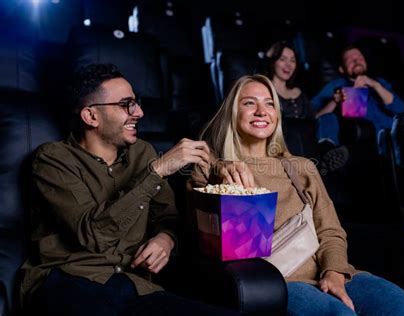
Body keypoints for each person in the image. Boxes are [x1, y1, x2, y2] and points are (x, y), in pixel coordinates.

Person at [189, 74, 404, 315]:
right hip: (278, 283)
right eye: (249, 102)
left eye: (270, 103)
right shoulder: (210, 170)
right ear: (233, 112)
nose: (262, 111)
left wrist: (334, 273)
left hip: (332, 272)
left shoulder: (302, 167)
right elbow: (202, 235)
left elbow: (330, 231)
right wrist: (220, 170)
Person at [19, 63, 239, 316]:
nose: (140, 112)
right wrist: (156, 172)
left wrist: (166, 239)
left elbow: (168, 217)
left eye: (137, 102)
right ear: (91, 116)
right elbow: (93, 236)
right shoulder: (53, 159)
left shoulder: (141, 152)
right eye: (126, 104)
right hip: (71, 281)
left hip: (136, 285)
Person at [266, 40, 349, 175]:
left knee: (329, 117)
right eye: (283, 59)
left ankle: (326, 151)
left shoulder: (298, 92)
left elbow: (315, 118)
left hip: (308, 139)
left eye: (292, 60)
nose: (288, 64)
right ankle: (321, 162)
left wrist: (335, 101)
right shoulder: (265, 91)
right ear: (273, 61)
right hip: (286, 142)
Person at [311, 44, 404, 155]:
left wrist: (375, 85)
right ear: (342, 69)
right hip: (366, 144)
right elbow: (313, 115)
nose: (356, 60)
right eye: (350, 60)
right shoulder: (336, 85)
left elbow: (400, 110)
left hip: (395, 141)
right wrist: (350, 93)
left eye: (359, 57)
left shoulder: (380, 82)